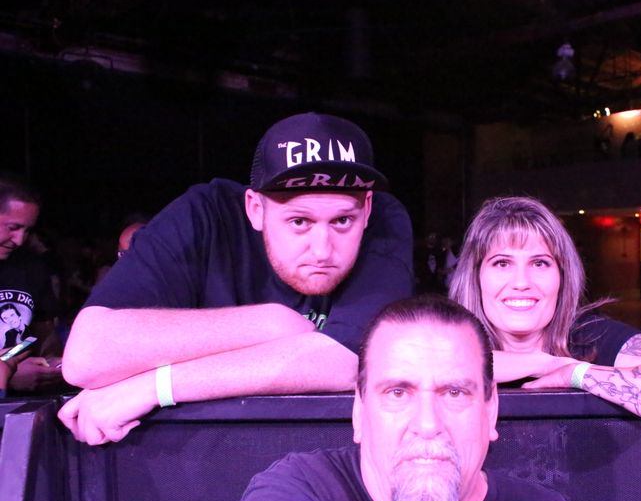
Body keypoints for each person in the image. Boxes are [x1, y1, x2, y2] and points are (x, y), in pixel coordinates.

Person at [58, 112, 414, 445]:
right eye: (299, 222)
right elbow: (86, 356)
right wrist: (275, 325)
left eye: (342, 221)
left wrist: (155, 386)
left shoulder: (384, 220)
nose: (322, 250)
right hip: (195, 458)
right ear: (255, 209)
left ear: (366, 209)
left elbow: (349, 362)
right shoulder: (205, 216)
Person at [219, 294, 607, 501]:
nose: (427, 423)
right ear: (359, 411)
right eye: (397, 393)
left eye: (454, 393)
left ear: (490, 410)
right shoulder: (296, 500)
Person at [448, 197, 641, 428]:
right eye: (502, 263)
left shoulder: (588, 336)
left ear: (562, 277)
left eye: (540, 263)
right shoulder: (446, 336)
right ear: (476, 276)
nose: (521, 282)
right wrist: (540, 364)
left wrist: (575, 372)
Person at [0, 173, 64, 394]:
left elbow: (44, 335)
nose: (20, 240)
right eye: (13, 227)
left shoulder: (31, 267)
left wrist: (50, 364)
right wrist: (9, 375)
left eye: (27, 230)